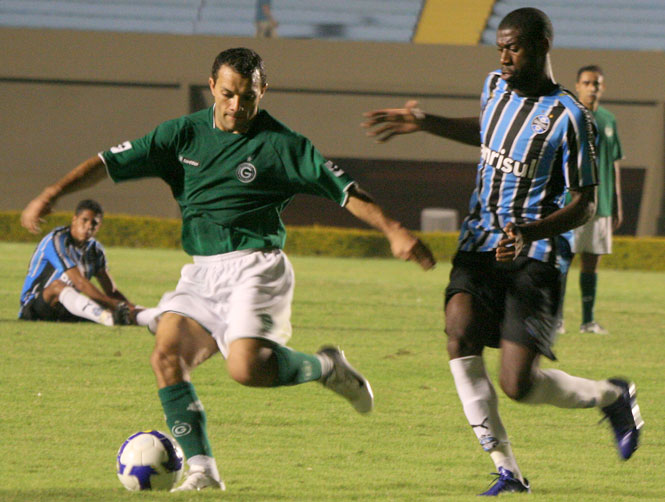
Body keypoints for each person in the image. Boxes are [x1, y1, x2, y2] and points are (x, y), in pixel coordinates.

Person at [21, 47, 435, 492]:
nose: (237, 106)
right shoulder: (182, 135)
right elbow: (106, 162)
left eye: (248, 97)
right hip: (202, 272)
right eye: (228, 94)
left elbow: (345, 190)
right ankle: (203, 471)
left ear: (263, 91)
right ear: (213, 87)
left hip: (257, 266)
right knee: (166, 356)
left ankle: (326, 367)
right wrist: (52, 193)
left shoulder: (283, 144)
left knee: (247, 369)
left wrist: (394, 230)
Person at [362, 8, 642, 496]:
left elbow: (585, 204)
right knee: (459, 332)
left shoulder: (572, 117)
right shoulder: (494, 86)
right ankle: (507, 470)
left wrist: (531, 231)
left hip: (538, 255)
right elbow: (489, 129)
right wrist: (426, 122)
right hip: (479, 242)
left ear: (542, 46)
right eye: (500, 49)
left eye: (514, 48)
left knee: (519, 385)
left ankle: (612, 396)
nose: (505, 58)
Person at [562, 65, 623, 335]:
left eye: (596, 83)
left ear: (603, 87)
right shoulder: (569, 117)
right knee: (563, 261)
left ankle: (587, 321)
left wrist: (617, 203)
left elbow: (614, 164)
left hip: (602, 204)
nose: (592, 88)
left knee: (591, 262)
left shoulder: (609, 120)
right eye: (586, 83)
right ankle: (557, 319)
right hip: (571, 202)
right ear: (577, 86)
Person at [19, 199, 140, 326]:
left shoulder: (95, 250)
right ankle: (109, 319)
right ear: (74, 219)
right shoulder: (57, 239)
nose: (89, 226)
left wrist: (131, 308)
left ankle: (146, 318)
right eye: (84, 220)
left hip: (65, 308)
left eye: (94, 223)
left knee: (121, 312)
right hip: (34, 307)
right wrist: (113, 305)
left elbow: (111, 291)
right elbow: (79, 282)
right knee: (57, 286)